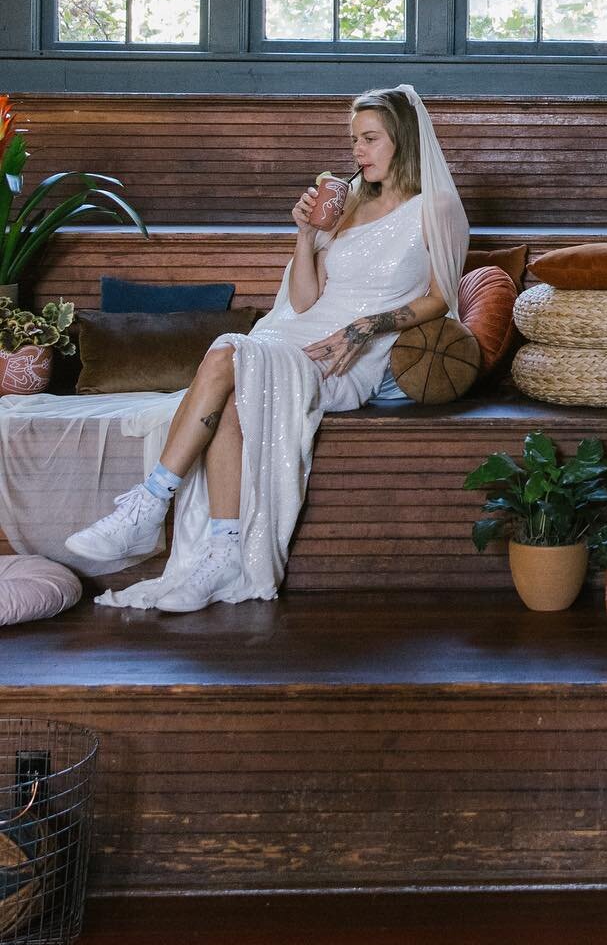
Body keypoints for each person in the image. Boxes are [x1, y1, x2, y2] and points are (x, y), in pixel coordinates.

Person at [63, 85, 469, 613]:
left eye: (370, 139)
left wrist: (367, 325)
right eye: (354, 140)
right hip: (294, 333)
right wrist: (305, 234)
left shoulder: (435, 207)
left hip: (343, 358)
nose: (358, 152)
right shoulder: (345, 204)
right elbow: (303, 301)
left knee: (228, 352)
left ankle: (150, 502)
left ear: (404, 140)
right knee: (231, 385)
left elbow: (442, 298)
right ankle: (223, 551)